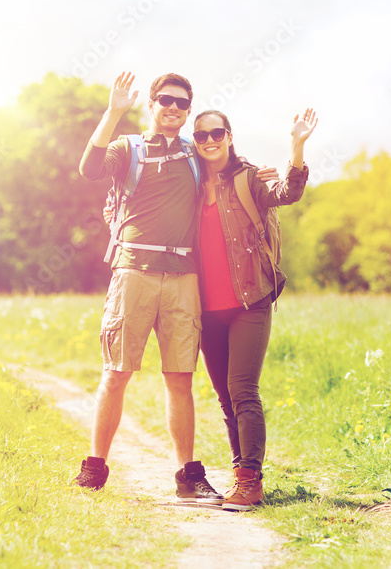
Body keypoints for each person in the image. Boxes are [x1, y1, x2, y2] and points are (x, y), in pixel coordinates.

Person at [74, 71, 224, 503]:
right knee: (117, 373)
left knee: (180, 377)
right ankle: (94, 467)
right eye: (166, 100)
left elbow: (234, 171)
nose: (173, 108)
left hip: (183, 277)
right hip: (133, 271)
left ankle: (187, 476)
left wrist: (277, 170)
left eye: (181, 103)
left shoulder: (198, 154)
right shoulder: (129, 148)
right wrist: (113, 112)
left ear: (188, 109)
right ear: (153, 104)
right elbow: (89, 169)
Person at [192, 107, 316, 511]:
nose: (209, 140)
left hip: (250, 301)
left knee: (243, 390)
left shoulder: (248, 179)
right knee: (225, 398)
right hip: (207, 308)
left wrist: (296, 147)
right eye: (202, 135)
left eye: (217, 133)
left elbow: (288, 193)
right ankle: (239, 473)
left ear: (229, 136)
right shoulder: (189, 185)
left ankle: (251, 481)